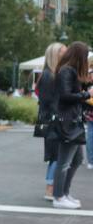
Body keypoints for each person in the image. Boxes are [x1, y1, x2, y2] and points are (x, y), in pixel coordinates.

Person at [51, 42, 91, 209]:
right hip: (68, 121)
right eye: (85, 56)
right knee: (65, 162)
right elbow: (65, 96)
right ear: (79, 56)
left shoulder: (69, 70)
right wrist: (87, 93)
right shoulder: (66, 71)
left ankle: (64, 194)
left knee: (76, 160)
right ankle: (59, 196)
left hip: (73, 121)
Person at [37, 42, 66, 201]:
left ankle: (52, 187)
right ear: (55, 55)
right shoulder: (49, 75)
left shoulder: (52, 74)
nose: (66, 54)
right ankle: (50, 188)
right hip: (52, 120)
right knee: (56, 155)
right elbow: (48, 101)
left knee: (56, 155)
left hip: (52, 119)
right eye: (63, 52)